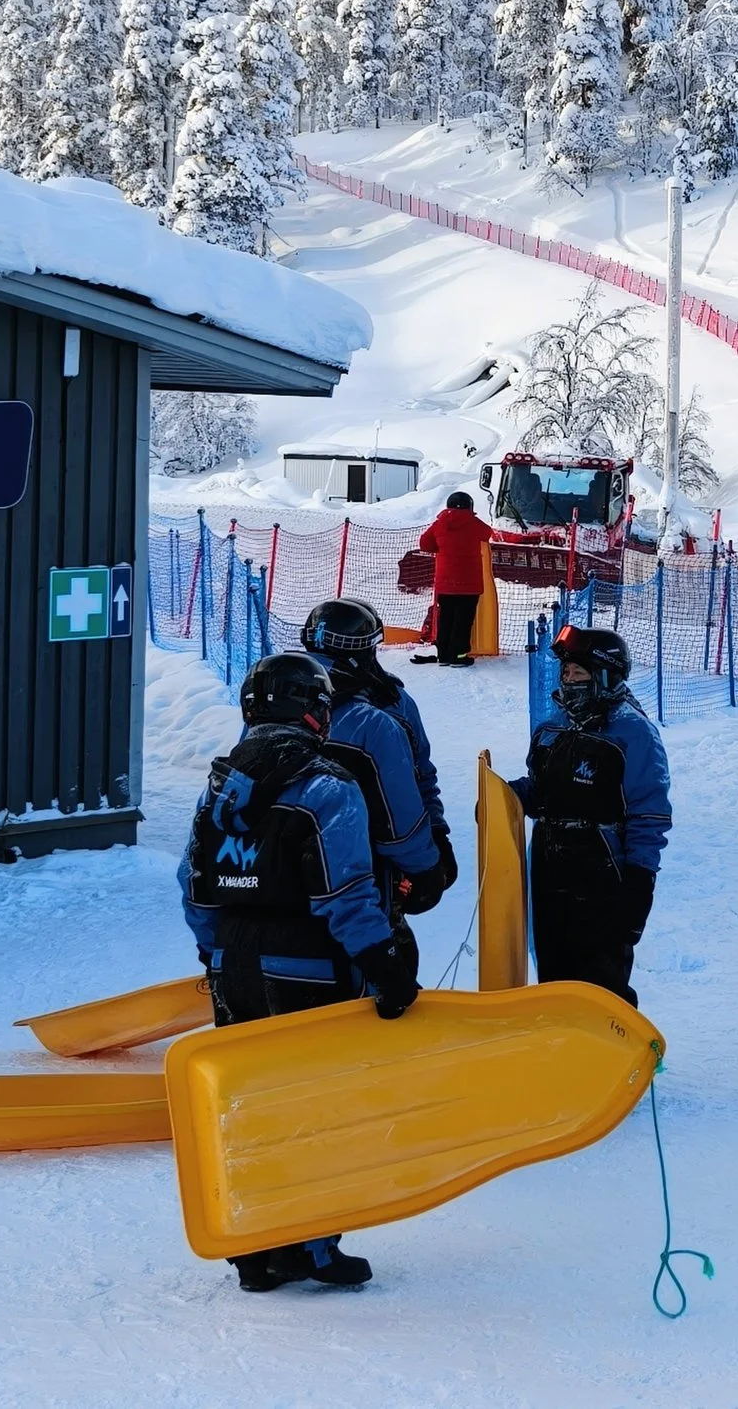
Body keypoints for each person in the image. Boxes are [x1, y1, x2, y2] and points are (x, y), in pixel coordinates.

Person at [179, 652, 427, 1293]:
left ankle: (254, 1249)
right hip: (309, 968)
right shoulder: (327, 786)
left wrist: (215, 957)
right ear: (312, 710)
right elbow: (345, 894)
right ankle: (310, 1247)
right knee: (315, 1108)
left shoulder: (220, 786)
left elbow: (195, 885)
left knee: (249, 1107)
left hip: (233, 963)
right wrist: (386, 967)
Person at [507, 624, 670, 1005]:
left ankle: (613, 1038)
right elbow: (541, 789)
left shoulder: (633, 733)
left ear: (605, 675)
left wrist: (639, 882)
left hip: (600, 873)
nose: (569, 680)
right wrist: (508, 797)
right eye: (565, 672)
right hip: (549, 865)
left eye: (578, 672)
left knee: (600, 983)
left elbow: (650, 815)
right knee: (554, 975)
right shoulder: (553, 726)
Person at [303, 597, 456, 910]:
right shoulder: (386, 710)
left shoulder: (272, 697)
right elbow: (409, 794)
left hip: (281, 873)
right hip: (365, 874)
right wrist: (428, 858)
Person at [415, 490, 496, 667]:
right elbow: (487, 533)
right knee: (462, 621)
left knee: (446, 618)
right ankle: (458, 656)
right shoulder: (474, 523)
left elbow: (424, 543)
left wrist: (442, 548)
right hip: (469, 583)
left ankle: (443, 655)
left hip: (445, 583)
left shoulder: (439, 524)